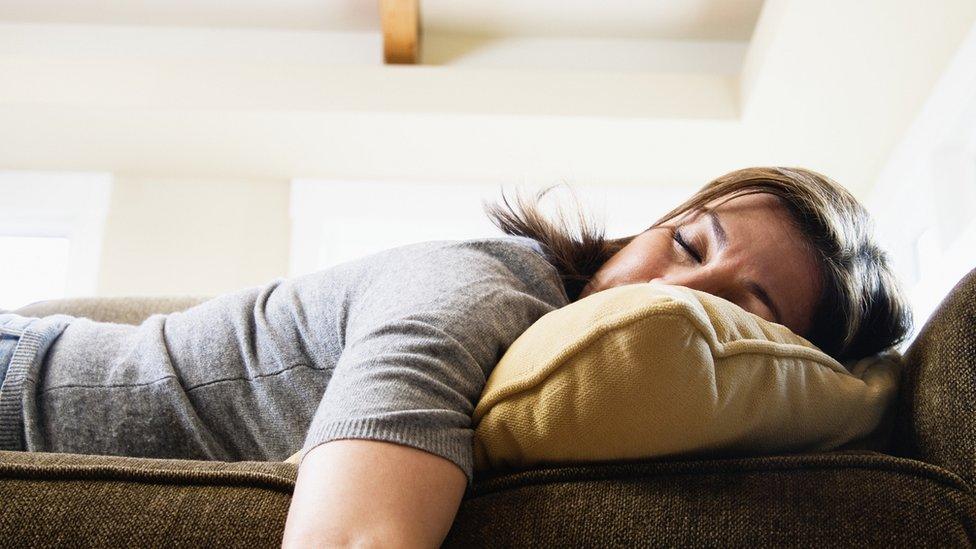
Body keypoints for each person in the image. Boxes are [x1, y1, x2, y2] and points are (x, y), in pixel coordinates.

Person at [0, 166, 911, 547]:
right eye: (686, 245)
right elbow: (354, 535)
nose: (682, 299)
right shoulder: (488, 286)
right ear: (644, 229)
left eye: (745, 308)